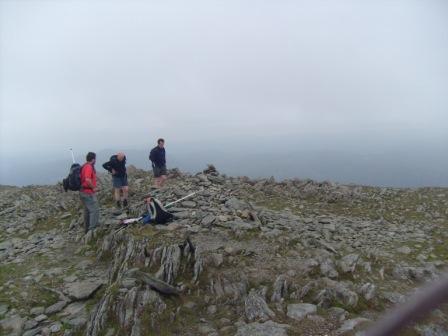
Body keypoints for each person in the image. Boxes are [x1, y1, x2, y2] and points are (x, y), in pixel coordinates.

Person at [80, 152, 100, 233]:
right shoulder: (88, 167)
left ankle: (87, 229)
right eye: (95, 159)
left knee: (87, 210)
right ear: (93, 159)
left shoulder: (84, 166)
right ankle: (92, 229)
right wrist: (94, 188)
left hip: (82, 191)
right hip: (87, 192)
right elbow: (87, 179)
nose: (96, 160)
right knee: (95, 210)